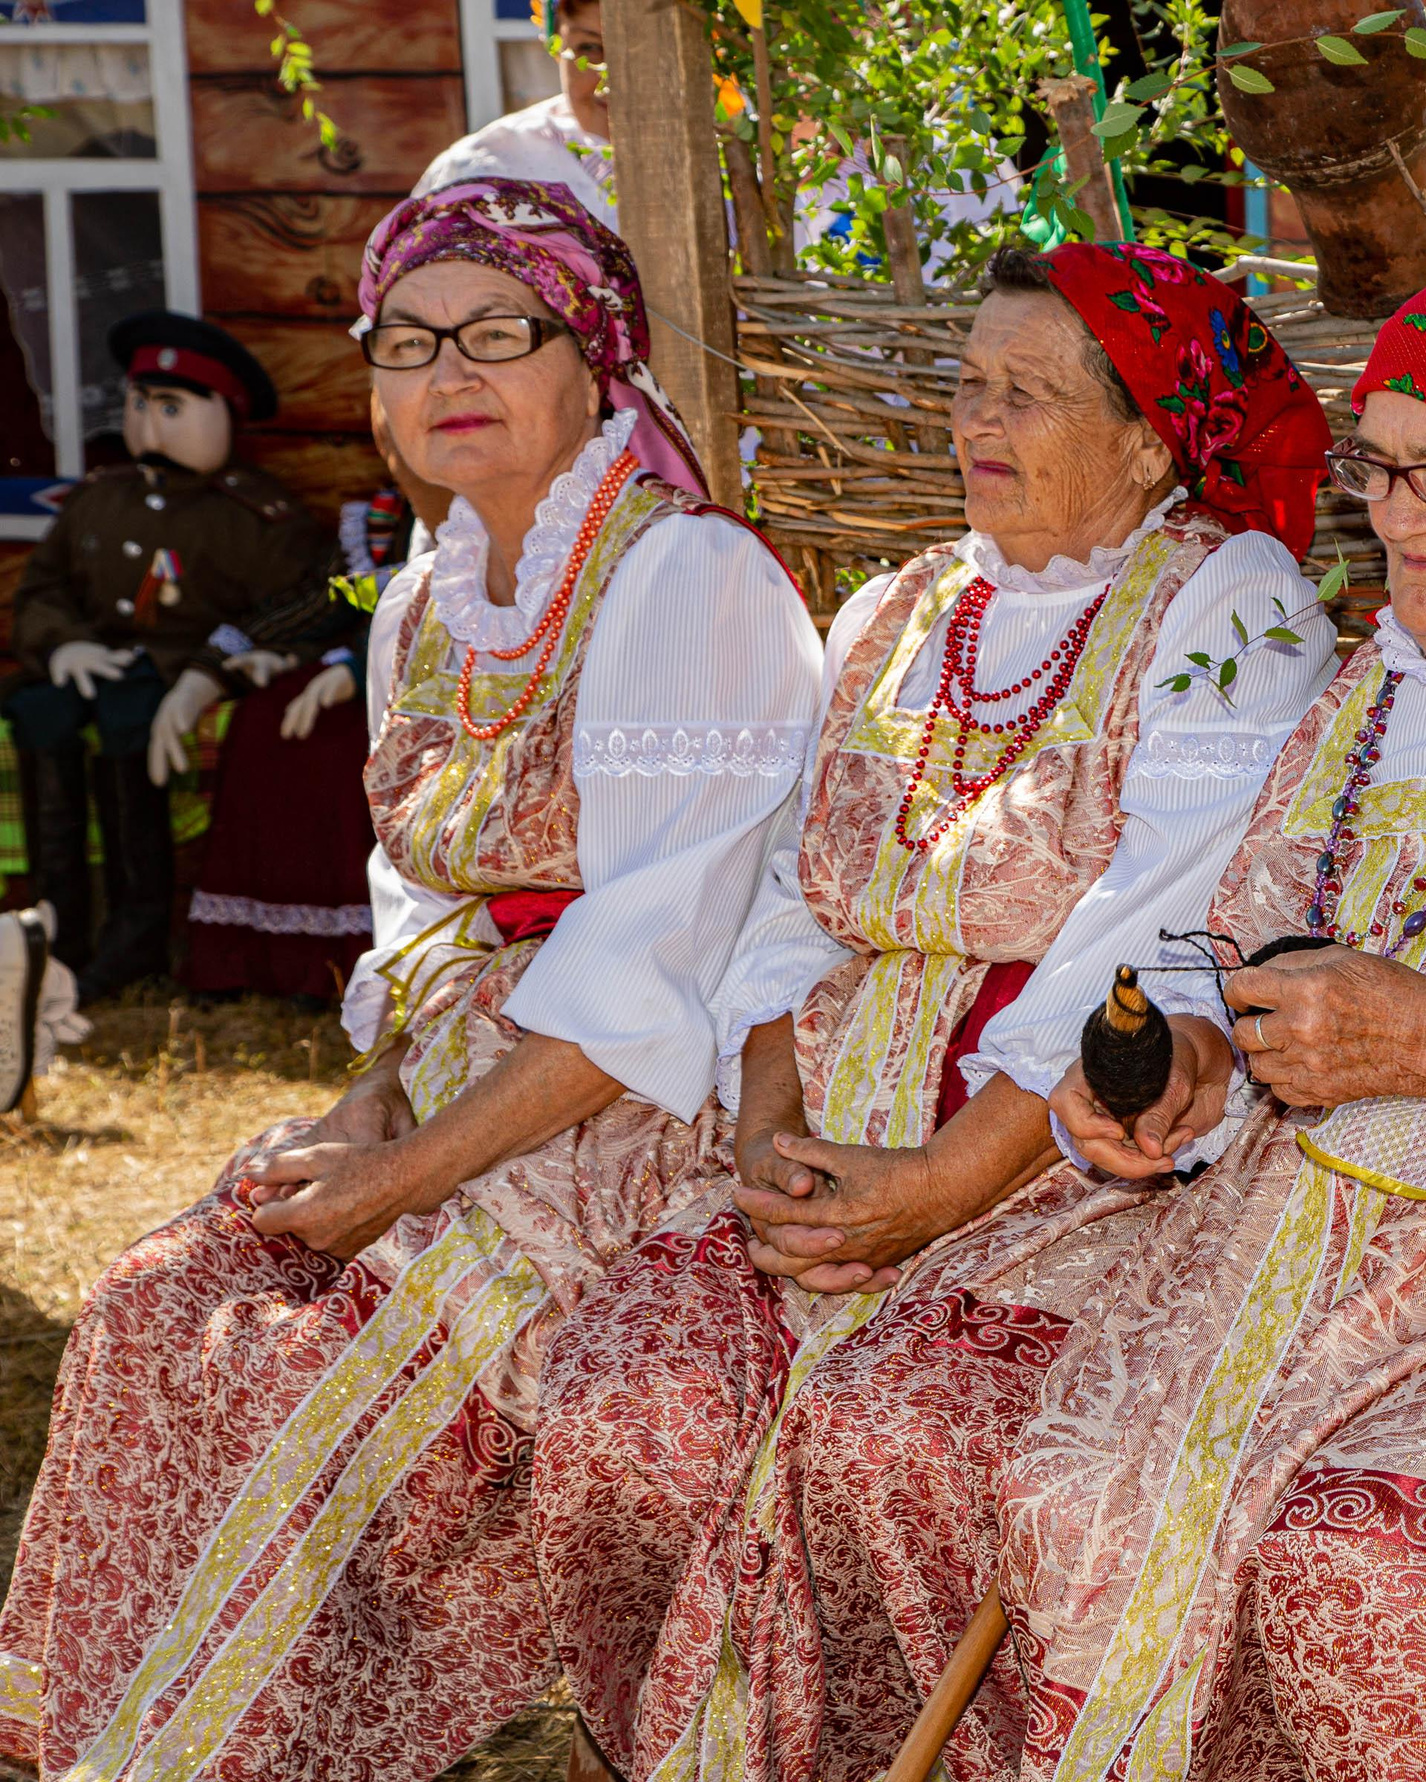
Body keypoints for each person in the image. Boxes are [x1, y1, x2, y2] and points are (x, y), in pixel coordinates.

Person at [632, 256, 1426, 1782]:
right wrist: (1178, 1064)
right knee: (1071, 1483)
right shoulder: (1361, 686)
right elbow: (1214, 954)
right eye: (1382, 466)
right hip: (1272, 1228)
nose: (1402, 514)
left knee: (1355, 1561)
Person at [0, 179, 824, 1780]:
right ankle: (110, 1731)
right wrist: (370, 1090)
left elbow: (657, 965)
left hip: (641, 1121)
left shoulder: (683, 580)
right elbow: (418, 904)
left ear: (593, 361)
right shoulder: (430, 599)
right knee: (150, 1308)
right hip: (452, 1092)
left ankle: (219, 1745)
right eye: (408, 340)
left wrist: (397, 1178)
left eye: (498, 333)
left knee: (318, 1365)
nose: (449, 371)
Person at [530, 239, 1339, 1779]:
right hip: (814, 1153)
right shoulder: (898, 605)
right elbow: (781, 896)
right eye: (970, 382)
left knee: (903, 1438)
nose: (979, 418)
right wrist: (769, 1139)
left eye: (1029, 393)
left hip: (1064, 1171)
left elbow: (1165, 934)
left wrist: (938, 1186)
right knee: (622, 1389)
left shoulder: (1232, 606)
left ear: (1153, 435)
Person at [7, 309, 340, 1002]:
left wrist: (228, 670)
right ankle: (58, 928)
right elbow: (44, 587)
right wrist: (62, 643)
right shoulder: (102, 499)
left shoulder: (257, 518)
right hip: (93, 665)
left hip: (170, 673)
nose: (149, 426)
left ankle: (138, 936)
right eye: (138, 405)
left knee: (134, 736)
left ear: (226, 414)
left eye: (172, 407)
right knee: (40, 718)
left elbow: (298, 609)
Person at [182, 407, 419, 1001]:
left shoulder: (485, 511)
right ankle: (270, 953)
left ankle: (353, 955)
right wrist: (218, 666)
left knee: (339, 749)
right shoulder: (380, 520)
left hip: (435, 689)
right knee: (267, 720)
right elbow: (322, 604)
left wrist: (353, 668)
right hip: (363, 673)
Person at [418, 0, 613, 225]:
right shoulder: (484, 171)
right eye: (589, 47)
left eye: (642, 50)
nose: (610, 78)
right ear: (554, 45)